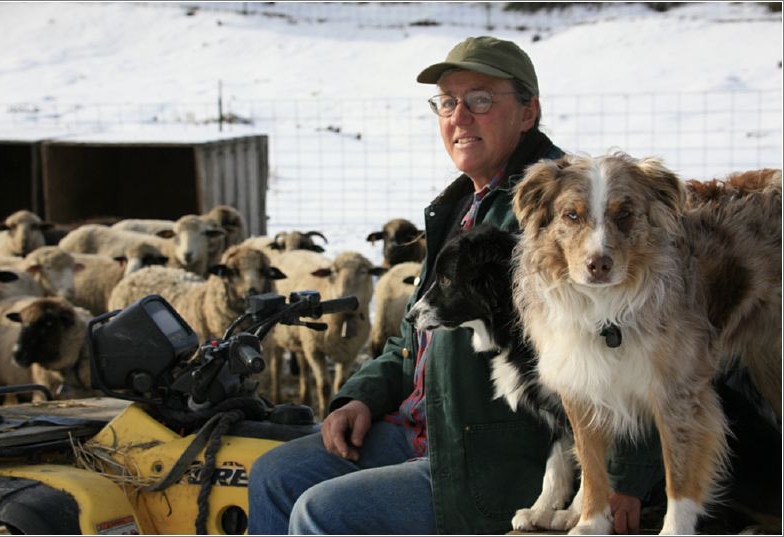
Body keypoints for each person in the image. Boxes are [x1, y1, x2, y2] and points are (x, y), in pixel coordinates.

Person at [247, 35, 648, 535]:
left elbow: (630, 339)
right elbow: (417, 332)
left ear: (528, 113)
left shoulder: (563, 206)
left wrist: (626, 478)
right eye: (447, 101)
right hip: (418, 428)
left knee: (322, 512)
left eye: (480, 100)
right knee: (273, 474)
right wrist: (361, 398)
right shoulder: (460, 206)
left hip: (489, 456)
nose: (459, 116)